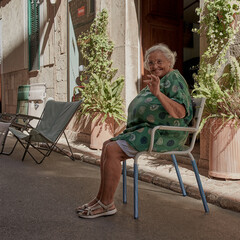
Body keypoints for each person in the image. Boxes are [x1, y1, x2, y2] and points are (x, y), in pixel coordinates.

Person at [77, 43, 193, 219]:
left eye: (159, 61)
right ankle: (100, 198)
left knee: (113, 150)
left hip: (165, 134)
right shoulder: (157, 81)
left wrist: (158, 94)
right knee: (108, 145)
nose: (155, 66)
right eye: (151, 63)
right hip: (149, 131)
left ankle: (107, 204)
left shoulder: (174, 78)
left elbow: (180, 113)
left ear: (170, 62)